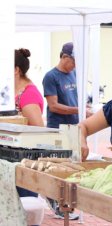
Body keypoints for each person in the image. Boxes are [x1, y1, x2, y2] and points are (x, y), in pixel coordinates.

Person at [42, 42, 83, 220]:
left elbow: (76, 99)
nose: (74, 66)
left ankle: (67, 205)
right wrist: (79, 110)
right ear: (64, 57)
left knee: (72, 168)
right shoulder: (51, 77)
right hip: (57, 128)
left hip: (73, 127)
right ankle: (56, 204)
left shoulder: (74, 74)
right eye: (73, 61)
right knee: (57, 168)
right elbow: (54, 106)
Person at [14, 48, 44, 199]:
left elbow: (39, 129)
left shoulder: (28, 94)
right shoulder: (15, 91)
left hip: (25, 160)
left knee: (25, 205)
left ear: (16, 70)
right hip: (14, 159)